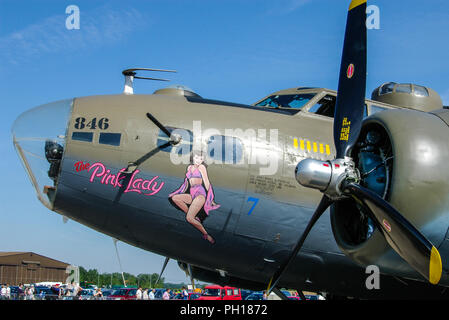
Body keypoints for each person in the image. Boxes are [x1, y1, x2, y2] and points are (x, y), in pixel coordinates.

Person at [169, 150, 220, 244]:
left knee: (189, 218)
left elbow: (207, 182)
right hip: (192, 193)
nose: (198, 160)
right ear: (193, 157)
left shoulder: (202, 167)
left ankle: (206, 235)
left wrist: (211, 197)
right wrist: (179, 191)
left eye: (201, 158)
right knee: (175, 198)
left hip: (200, 194)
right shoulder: (189, 167)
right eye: (196, 157)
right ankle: (195, 217)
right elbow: (186, 183)